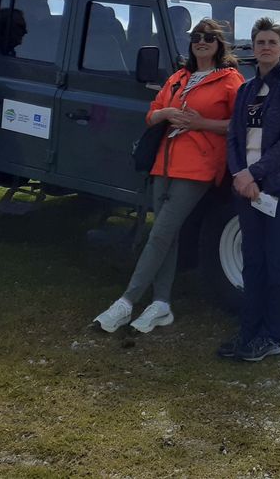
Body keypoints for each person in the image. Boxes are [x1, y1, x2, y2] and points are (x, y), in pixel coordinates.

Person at [93, 19, 243, 333]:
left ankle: (126, 301)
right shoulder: (178, 77)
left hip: (198, 167)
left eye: (208, 38)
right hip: (163, 163)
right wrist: (165, 114)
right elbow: (152, 114)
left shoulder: (230, 80)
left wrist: (202, 123)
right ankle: (161, 303)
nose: (201, 42)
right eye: (196, 37)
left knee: (160, 232)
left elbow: (238, 124)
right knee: (168, 234)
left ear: (219, 45)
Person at [218, 16, 280, 362]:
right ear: (252, 48)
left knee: (278, 262)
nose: (266, 47)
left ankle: (273, 336)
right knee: (253, 261)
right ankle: (249, 331)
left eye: (273, 42)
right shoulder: (245, 90)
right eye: (260, 42)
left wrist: (254, 173)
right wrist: (239, 175)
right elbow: (233, 136)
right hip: (247, 187)